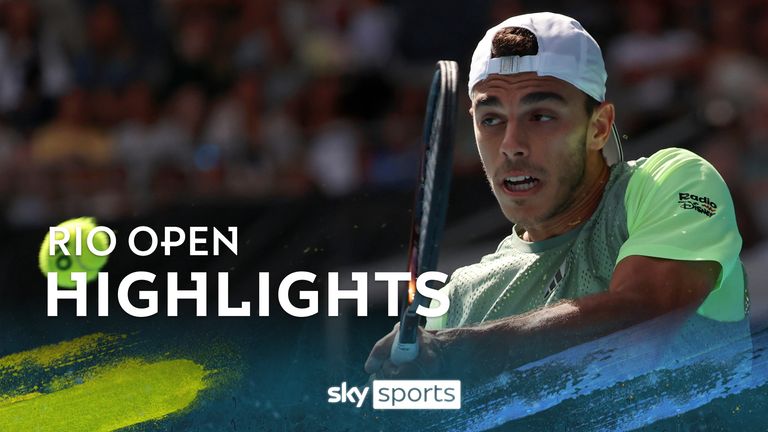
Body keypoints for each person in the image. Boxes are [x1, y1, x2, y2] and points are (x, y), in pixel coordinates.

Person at [365, 12, 748, 382]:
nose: (511, 146)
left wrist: (463, 350)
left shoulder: (675, 180)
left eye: (541, 116)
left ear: (599, 128)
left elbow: (644, 317)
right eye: (491, 120)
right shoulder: (456, 302)